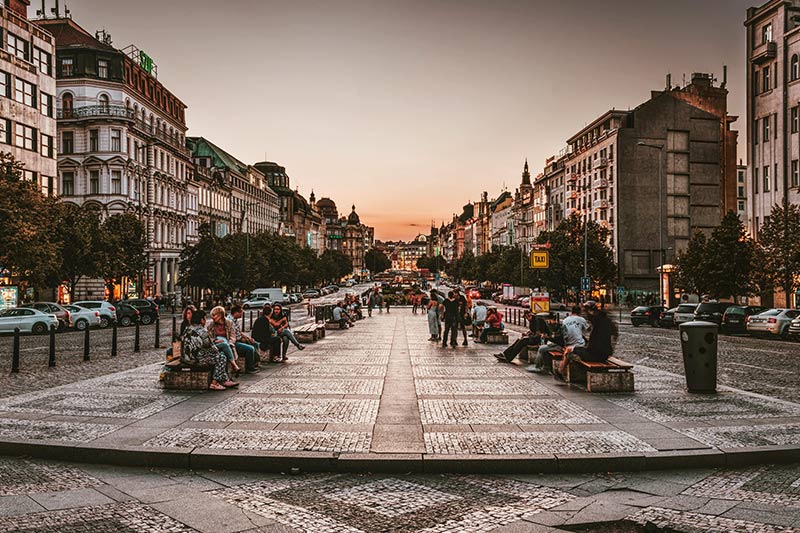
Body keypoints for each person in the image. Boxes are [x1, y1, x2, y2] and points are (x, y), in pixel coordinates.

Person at [557, 301, 618, 379]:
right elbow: (613, 336)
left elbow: (590, 318)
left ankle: (560, 371)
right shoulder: (607, 322)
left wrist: (585, 309)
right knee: (575, 349)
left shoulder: (597, 322)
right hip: (604, 355)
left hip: (594, 355)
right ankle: (562, 370)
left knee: (568, 350)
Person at [181, 309, 238, 391]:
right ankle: (214, 383)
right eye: (205, 318)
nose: (205, 321)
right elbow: (213, 349)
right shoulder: (202, 331)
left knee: (218, 355)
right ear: (201, 320)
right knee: (221, 357)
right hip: (195, 360)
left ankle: (225, 380)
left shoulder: (188, 328)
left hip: (186, 358)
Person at [206, 306, 240, 374]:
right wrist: (215, 340)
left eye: (214, 315)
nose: (212, 317)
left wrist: (230, 343)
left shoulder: (229, 323)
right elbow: (208, 337)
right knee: (223, 343)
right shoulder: (211, 325)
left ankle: (226, 377)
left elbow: (233, 336)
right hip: (216, 344)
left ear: (220, 315)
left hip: (228, 344)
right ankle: (234, 365)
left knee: (223, 354)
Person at [227, 305, 259, 374]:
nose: (242, 314)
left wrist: (247, 338)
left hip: (239, 339)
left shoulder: (234, 320)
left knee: (255, 343)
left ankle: (255, 362)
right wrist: (242, 339)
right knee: (250, 349)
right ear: (236, 313)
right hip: (234, 342)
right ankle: (250, 368)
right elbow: (233, 335)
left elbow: (239, 332)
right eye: (241, 312)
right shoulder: (230, 321)